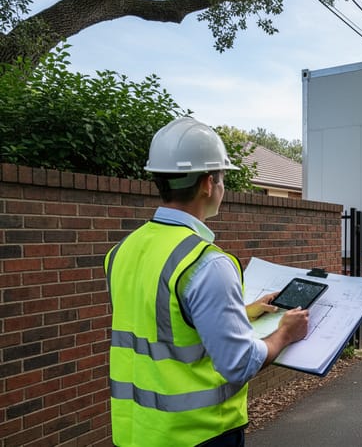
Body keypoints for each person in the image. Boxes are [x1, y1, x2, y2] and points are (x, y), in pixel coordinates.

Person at [104, 116, 309, 446]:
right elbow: (239, 364)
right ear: (207, 184)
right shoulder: (207, 263)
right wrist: (285, 333)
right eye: (223, 177)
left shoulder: (122, 251)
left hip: (137, 432)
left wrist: (245, 311)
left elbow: (166, 323)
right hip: (200, 435)